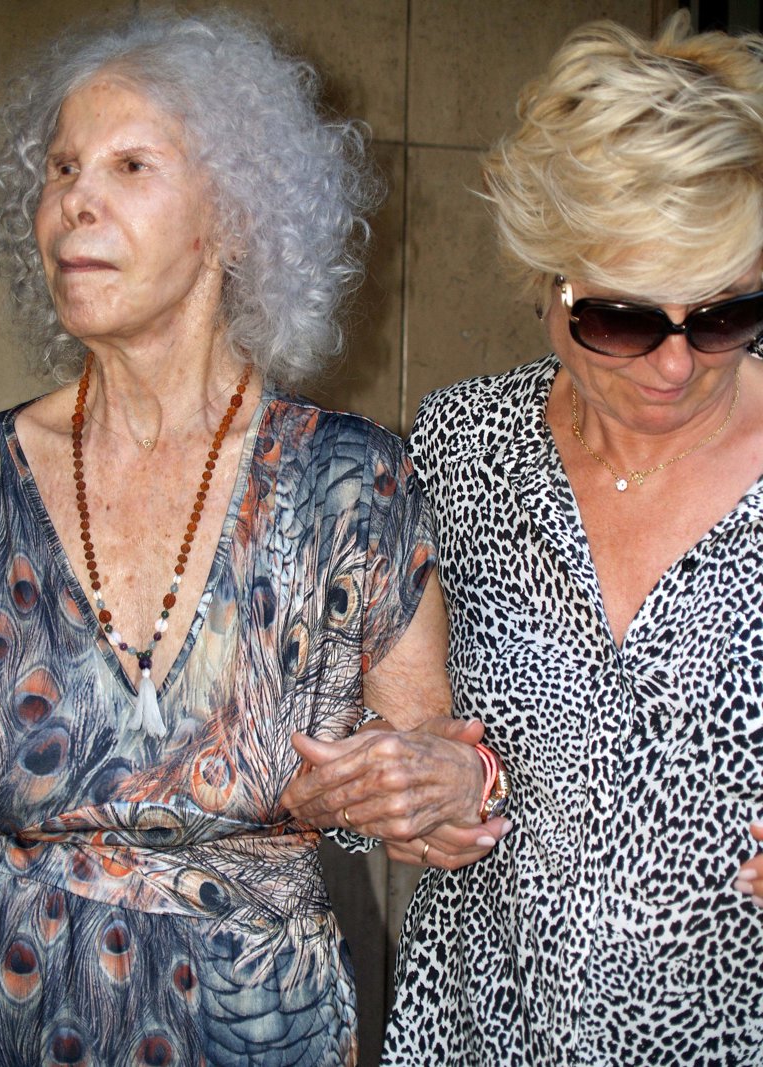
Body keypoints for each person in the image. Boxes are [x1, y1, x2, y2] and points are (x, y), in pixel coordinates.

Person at [0, 11, 507, 1065]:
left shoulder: (352, 481)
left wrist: (433, 784)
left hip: (259, 1023)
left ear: (235, 218)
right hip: (10, 1007)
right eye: (63, 167)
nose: (75, 198)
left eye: (129, 165)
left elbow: (433, 780)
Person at [286, 12, 763, 1066]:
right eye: (623, 319)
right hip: (481, 1031)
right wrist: (413, 796)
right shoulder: (458, 446)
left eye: (723, 316)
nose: (674, 365)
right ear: (547, 284)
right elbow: (347, 735)